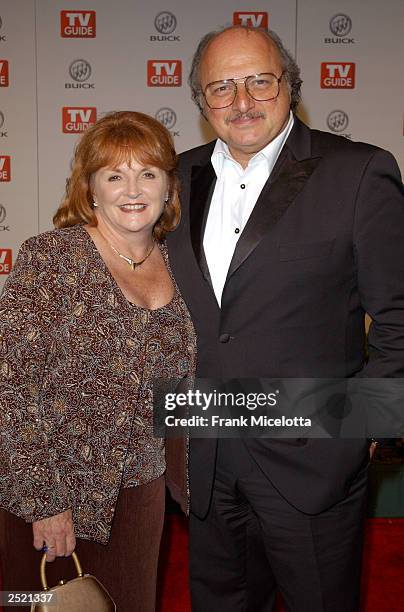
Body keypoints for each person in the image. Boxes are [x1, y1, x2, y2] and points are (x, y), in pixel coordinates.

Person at [165, 25, 404, 611]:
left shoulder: (357, 172)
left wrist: (361, 432)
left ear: (290, 86)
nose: (241, 102)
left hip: (313, 459)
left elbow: (399, 320)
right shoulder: (172, 177)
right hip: (206, 455)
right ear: (201, 101)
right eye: (221, 87)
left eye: (259, 82)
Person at [0, 110, 196, 612]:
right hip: (50, 490)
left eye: (148, 173)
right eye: (115, 175)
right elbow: (11, 386)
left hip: (139, 495)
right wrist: (44, 502)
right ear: (90, 188)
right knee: (33, 606)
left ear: (168, 187)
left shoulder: (185, 265)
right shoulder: (52, 258)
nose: (132, 189)